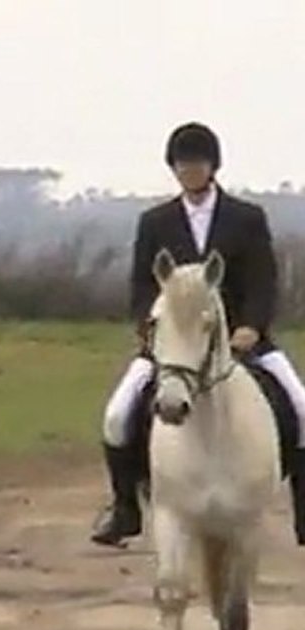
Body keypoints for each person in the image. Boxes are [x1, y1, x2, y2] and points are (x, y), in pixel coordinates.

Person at [90, 121, 305, 547]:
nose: (190, 172)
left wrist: (251, 326)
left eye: (197, 164)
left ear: (213, 167)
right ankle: (125, 509)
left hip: (242, 342)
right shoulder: (156, 221)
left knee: (302, 409)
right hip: (174, 347)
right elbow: (141, 287)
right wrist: (149, 330)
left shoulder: (246, 218)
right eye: (182, 165)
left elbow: (263, 280)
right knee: (117, 415)